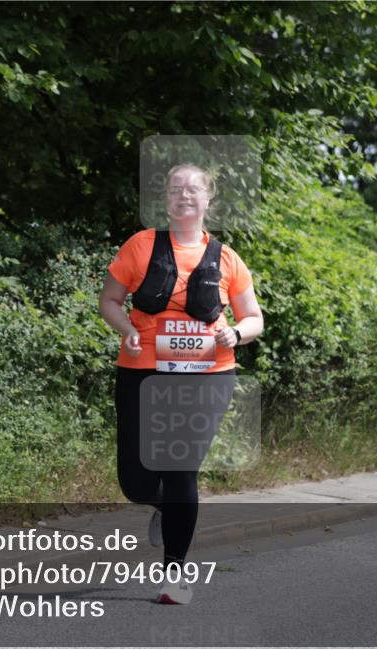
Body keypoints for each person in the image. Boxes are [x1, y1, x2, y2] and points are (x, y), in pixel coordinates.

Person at [98, 163, 263, 604]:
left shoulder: (227, 258)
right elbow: (109, 301)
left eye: (193, 190)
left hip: (207, 376)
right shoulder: (140, 246)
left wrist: (237, 333)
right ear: (166, 200)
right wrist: (125, 330)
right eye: (176, 189)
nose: (184, 196)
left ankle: (175, 574)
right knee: (134, 481)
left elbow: (254, 318)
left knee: (180, 468)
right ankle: (162, 506)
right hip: (142, 371)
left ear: (209, 200)